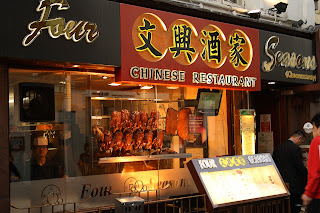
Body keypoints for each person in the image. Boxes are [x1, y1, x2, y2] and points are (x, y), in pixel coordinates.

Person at [272, 130, 308, 213]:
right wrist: (307, 174)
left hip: (281, 184)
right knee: (295, 207)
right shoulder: (296, 149)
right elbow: (299, 167)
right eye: (301, 141)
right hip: (294, 185)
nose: (301, 143)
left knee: (284, 208)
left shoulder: (278, 148)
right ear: (299, 138)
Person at [302, 113, 320, 212]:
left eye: (313, 128)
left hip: (317, 195)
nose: (312, 131)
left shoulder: (317, 141)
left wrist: (308, 193)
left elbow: (315, 172)